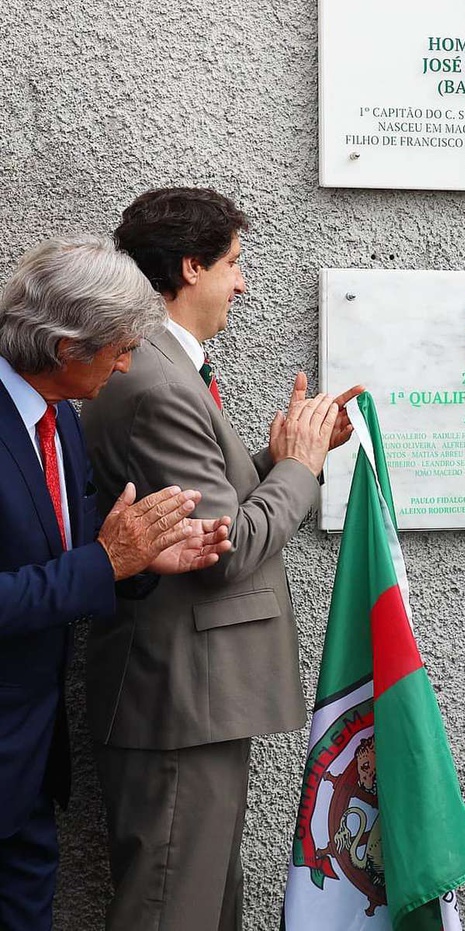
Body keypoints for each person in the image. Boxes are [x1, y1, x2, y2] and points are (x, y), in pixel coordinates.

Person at [81, 188, 362, 931]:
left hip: (187, 697)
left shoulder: (162, 365)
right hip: (177, 699)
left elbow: (206, 511)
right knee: (174, 908)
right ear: (189, 266)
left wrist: (281, 457)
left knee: (202, 906)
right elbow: (222, 550)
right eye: (233, 263)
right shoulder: (154, 380)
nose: (243, 282)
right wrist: (297, 468)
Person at [0, 235, 231, 930]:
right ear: (68, 346)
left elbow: (76, 550)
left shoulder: (58, 419)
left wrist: (144, 560)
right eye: (121, 347)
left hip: (29, 770)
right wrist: (107, 561)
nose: (129, 362)